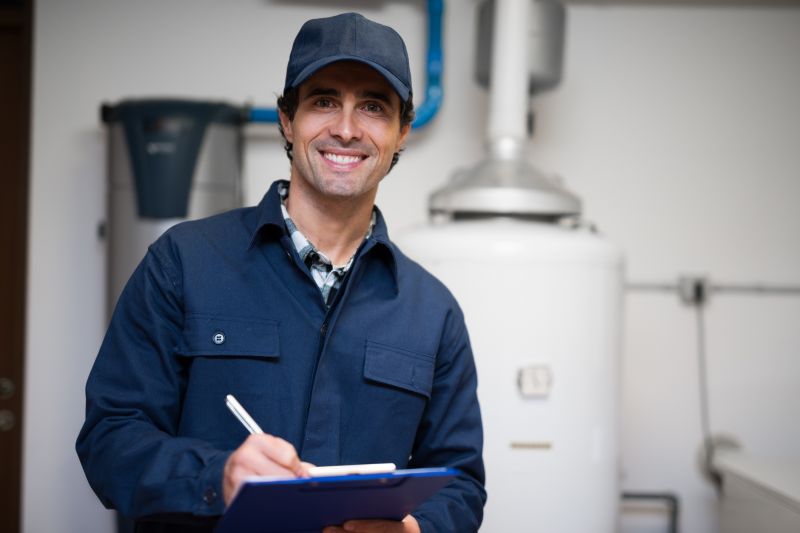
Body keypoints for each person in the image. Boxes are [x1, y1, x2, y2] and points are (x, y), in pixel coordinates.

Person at [77, 12, 485, 533]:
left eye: (373, 107)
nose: (346, 129)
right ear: (287, 120)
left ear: (402, 132)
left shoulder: (433, 312)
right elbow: (109, 438)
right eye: (324, 101)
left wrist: (414, 529)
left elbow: (461, 483)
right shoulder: (183, 262)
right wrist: (218, 476)